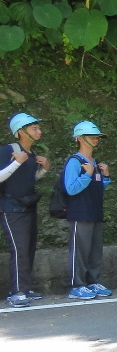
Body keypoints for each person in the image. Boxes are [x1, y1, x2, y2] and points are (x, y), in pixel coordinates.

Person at [1, 113, 50, 308]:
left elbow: (25, 180)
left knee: (28, 248)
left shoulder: (30, 154)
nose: (39, 132)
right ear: (21, 132)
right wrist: (17, 162)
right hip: (11, 208)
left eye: (39, 128)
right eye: (34, 129)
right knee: (19, 249)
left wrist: (44, 169)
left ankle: (25, 289)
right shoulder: (8, 151)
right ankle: (17, 292)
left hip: (27, 207)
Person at [64, 121, 113, 300]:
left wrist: (105, 176)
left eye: (97, 137)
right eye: (92, 137)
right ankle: (77, 285)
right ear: (79, 139)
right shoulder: (75, 162)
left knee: (95, 251)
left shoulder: (95, 162)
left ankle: (93, 281)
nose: (96, 140)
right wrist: (86, 174)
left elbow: (98, 187)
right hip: (80, 214)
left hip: (95, 212)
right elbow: (70, 188)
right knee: (80, 251)